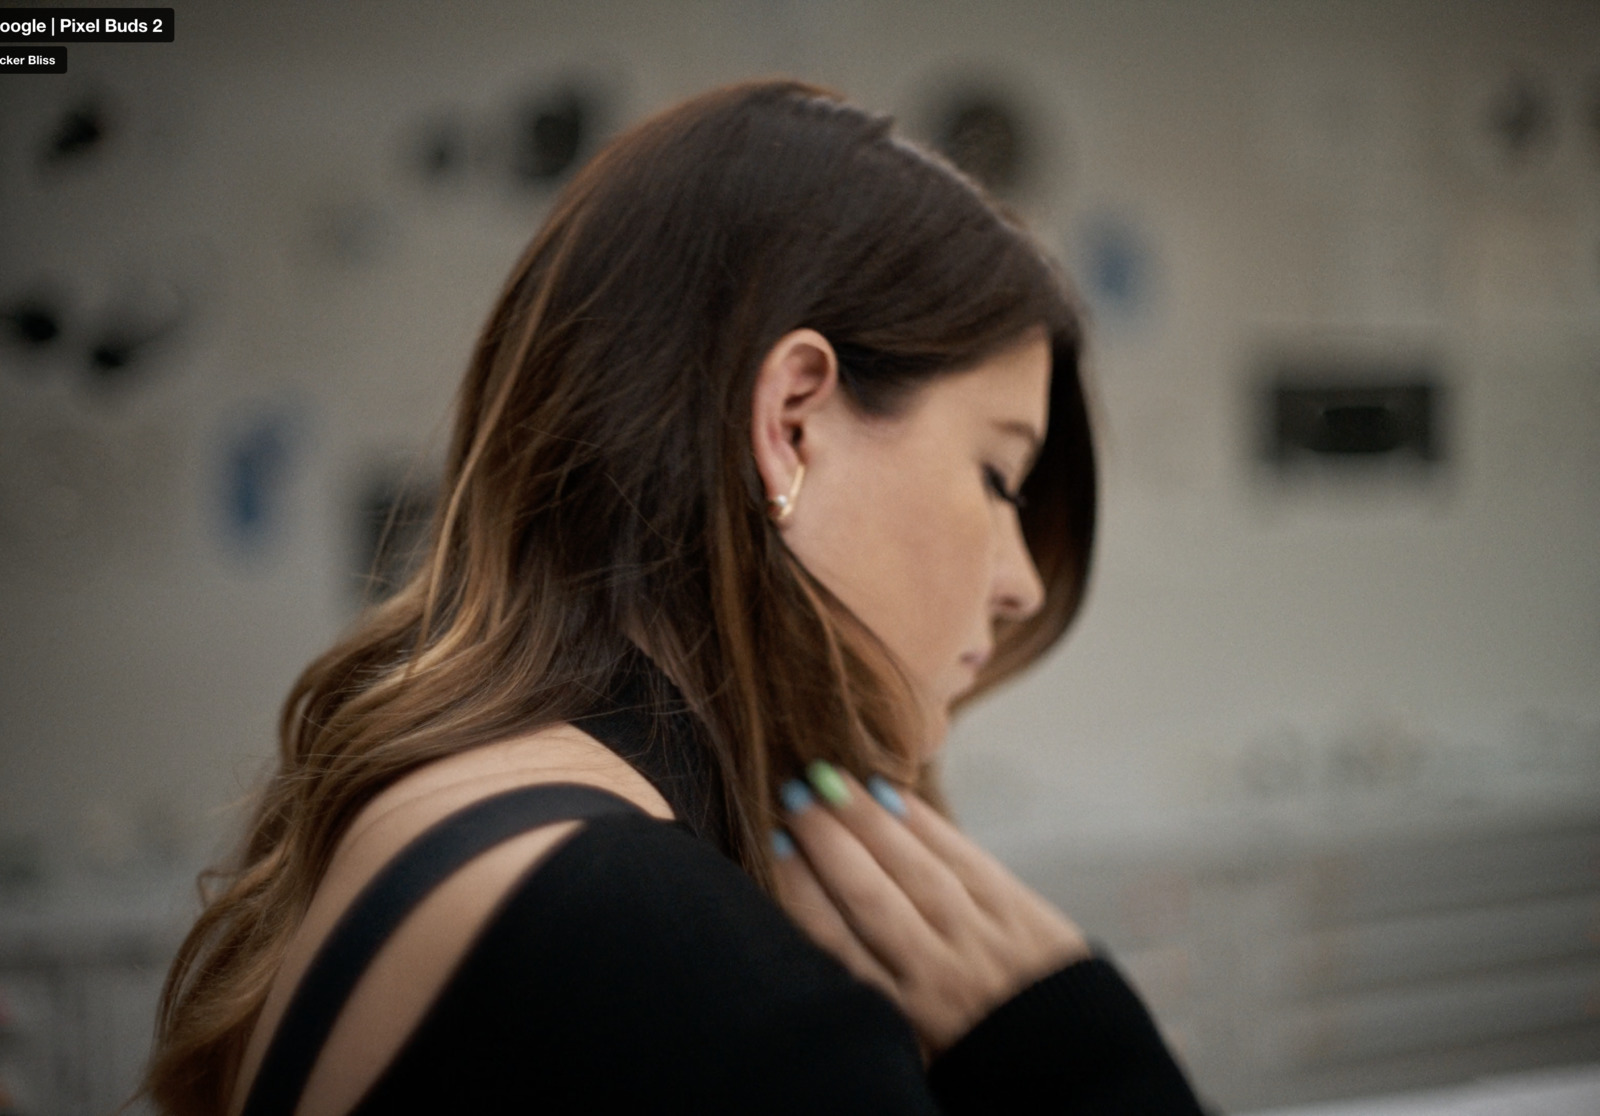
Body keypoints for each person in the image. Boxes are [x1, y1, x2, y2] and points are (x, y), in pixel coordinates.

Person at [142, 80, 1205, 1114]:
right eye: (997, 476)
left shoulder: (435, 804)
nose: (1019, 584)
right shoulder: (650, 940)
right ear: (794, 422)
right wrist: (1088, 1064)